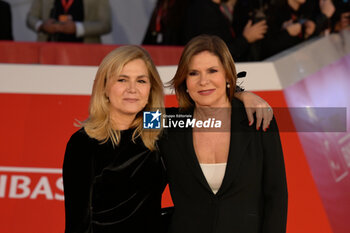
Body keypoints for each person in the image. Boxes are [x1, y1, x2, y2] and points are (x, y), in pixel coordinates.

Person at [63, 45, 274, 233]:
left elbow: (206, 109)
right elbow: (77, 222)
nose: (132, 89)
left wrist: (241, 94)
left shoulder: (156, 124)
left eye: (141, 81)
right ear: (104, 87)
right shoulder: (84, 143)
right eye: (122, 79)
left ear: (150, 88)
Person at [159, 35, 288, 233]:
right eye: (193, 73)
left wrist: (241, 93)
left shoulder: (258, 118)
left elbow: (276, 195)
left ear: (228, 76)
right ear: (184, 80)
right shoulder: (168, 121)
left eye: (212, 71)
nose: (204, 81)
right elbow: (129, 116)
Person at [26, 0, 111, 43]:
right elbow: (31, 18)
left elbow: (105, 25)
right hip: (48, 51)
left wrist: (77, 28)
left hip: (85, 52)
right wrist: (42, 26)